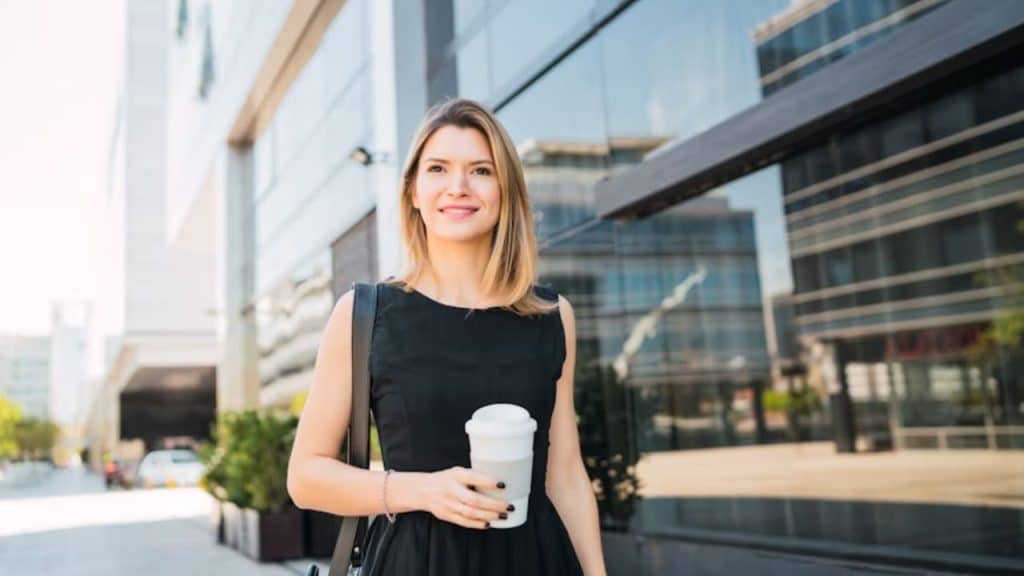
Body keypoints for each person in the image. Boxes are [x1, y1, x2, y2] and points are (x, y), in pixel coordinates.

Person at [287, 98, 606, 575]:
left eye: (480, 170)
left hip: (535, 561)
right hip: (415, 563)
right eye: (438, 168)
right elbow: (306, 476)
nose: (458, 187)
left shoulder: (552, 316)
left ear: (505, 192)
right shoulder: (364, 314)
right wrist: (419, 490)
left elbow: (564, 476)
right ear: (413, 190)